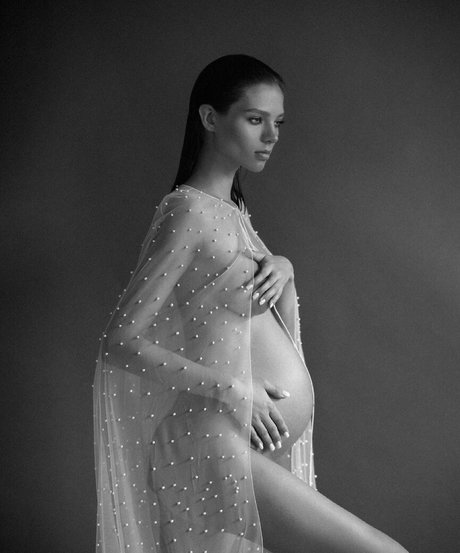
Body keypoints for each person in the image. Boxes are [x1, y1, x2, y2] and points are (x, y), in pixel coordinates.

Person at [93, 54, 409, 553]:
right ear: (210, 117)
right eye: (255, 119)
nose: (271, 135)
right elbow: (120, 341)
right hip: (207, 441)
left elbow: (266, 330)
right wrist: (235, 390)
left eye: (278, 123)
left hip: (238, 442)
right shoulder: (187, 211)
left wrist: (285, 272)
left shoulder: (234, 213)